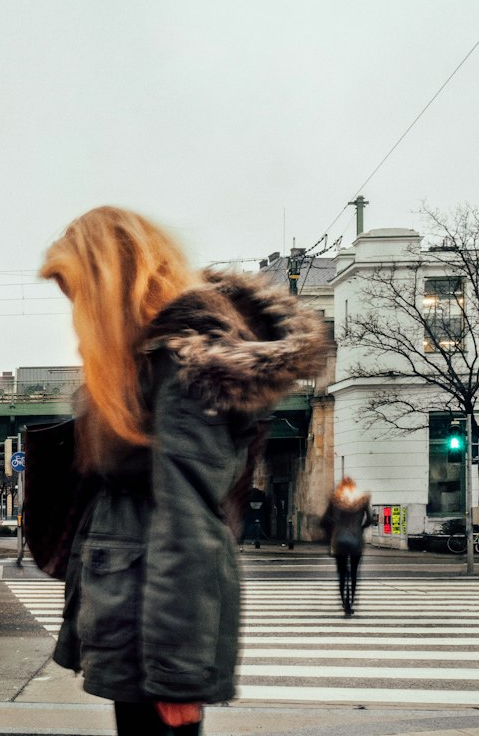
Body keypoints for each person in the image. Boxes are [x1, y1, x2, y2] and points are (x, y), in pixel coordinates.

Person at [39, 207, 327, 736]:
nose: (78, 316)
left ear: (110, 290)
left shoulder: (180, 372)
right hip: (137, 627)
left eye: (80, 297)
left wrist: (177, 679)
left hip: (154, 642)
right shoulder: (150, 365)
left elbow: (189, 526)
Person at [321, 477, 371, 616]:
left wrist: (334, 527)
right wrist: (359, 529)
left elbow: (325, 519)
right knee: (354, 573)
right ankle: (352, 601)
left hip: (340, 540)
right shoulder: (362, 500)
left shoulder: (335, 500)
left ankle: (344, 602)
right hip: (356, 540)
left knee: (342, 574)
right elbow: (370, 519)